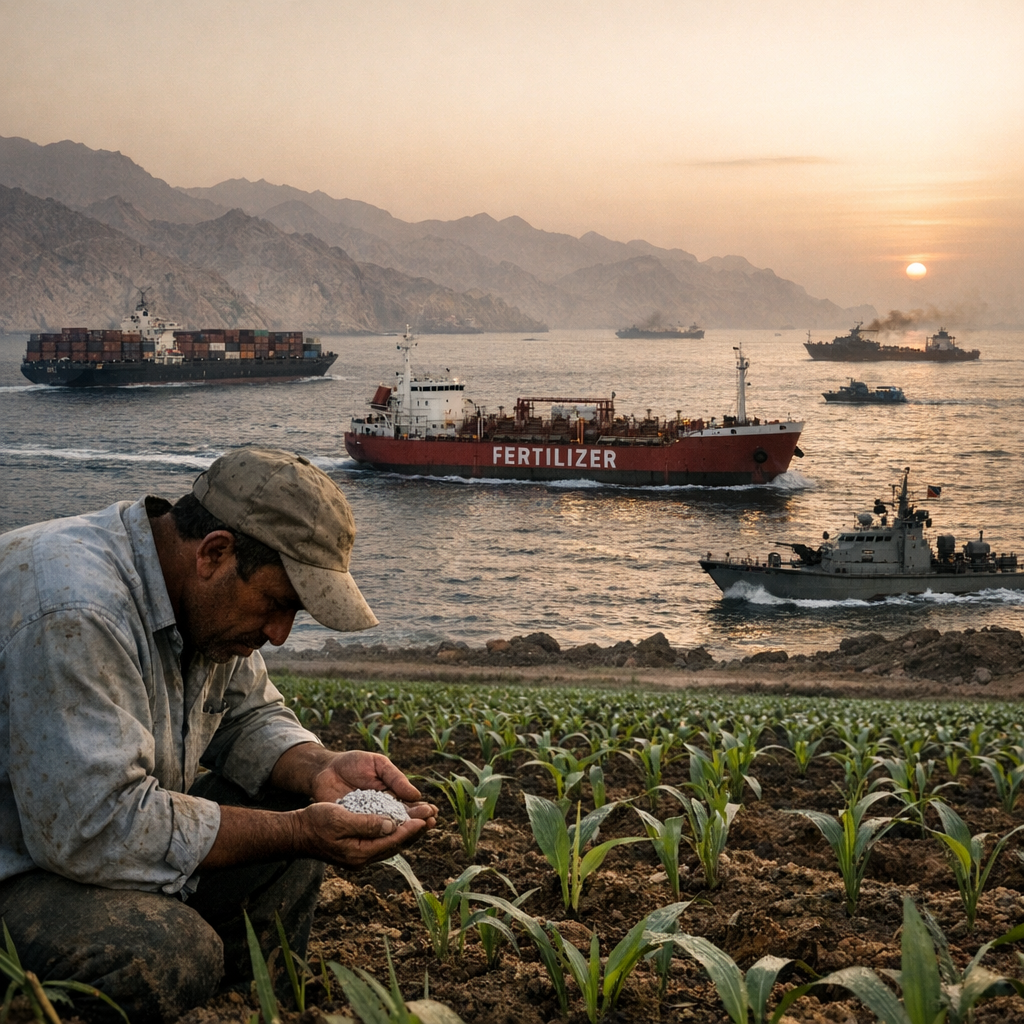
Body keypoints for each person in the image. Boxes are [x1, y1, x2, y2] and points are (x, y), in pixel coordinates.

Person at [0, 447, 437, 1022]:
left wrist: (318, 768)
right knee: (166, 951)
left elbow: (250, 715)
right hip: (21, 864)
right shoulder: (77, 610)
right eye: (279, 604)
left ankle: (249, 1007)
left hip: (73, 846)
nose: (279, 635)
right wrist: (298, 832)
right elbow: (95, 829)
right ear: (215, 552)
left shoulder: (198, 603)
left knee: (293, 809)